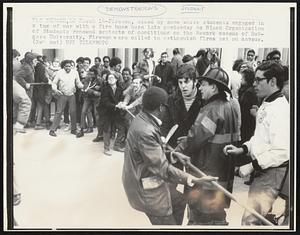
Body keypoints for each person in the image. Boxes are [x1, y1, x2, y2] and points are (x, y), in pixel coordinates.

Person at [122, 86, 218, 225]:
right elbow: (163, 169)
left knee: (179, 201)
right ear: (161, 108)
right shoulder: (146, 131)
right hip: (145, 186)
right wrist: (191, 178)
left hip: (143, 176)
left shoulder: (142, 119)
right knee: (166, 219)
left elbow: (149, 153)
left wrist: (173, 154)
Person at [224, 61, 289, 225]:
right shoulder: (268, 102)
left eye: (259, 80)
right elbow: (260, 139)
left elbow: (282, 151)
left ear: (272, 81)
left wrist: (252, 165)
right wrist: (243, 149)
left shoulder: (280, 109)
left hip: (272, 172)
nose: (254, 83)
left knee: (250, 221)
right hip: (264, 170)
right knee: (255, 220)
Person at [175, 67, 241, 225]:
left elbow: (196, 137)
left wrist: (177, 152)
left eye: (203, 84)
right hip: (223, 171)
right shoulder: (232, 105)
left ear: (214, 87)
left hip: (206, 170)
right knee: (217, 210)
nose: (199, 88)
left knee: (200, 212)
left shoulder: (212, 108)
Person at [161, 64, 203, 225]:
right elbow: (165, 124)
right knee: (173, 196)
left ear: (195, 81)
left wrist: (190, 139)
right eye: (180, 82)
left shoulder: (203, 99)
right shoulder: (172, 100)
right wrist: (163, 138)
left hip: (195, 154)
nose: (183, 86)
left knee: (194, 195)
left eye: (187, 82)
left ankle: (192, 224)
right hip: (174, 154)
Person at [49, 60, 84, 137]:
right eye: (66, 66)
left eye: (69, 66)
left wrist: (83, 87)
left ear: (71, 66)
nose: (68, 68)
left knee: (73, 112)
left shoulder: (75, 72)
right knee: (59, 112)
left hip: (72, 95)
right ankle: (52, 130)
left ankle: (73, 129)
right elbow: (54, 83)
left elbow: (78, 83)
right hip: (62, 94)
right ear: (63, 66)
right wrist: (56, 90)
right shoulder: (59, 72)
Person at [99, 71, 126, 155]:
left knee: (122, 127)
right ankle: (106, 148)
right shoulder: (105, 89)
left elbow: (121, 98)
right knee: (107, 129)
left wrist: (121, 103)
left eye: (112, 78)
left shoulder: (120, 88)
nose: (110, 79)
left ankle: (117, 145)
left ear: (116, 79)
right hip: (106, 111)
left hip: (116, 111)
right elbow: (105, 102)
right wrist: (116, 106)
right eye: (108, 78)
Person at [14, 52, 39, 128]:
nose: (36, 62)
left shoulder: (30, 66)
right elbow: (18, 76)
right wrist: (25, 84)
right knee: (24, 105)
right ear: (31, 60)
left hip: (28, 89)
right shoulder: (27, 67)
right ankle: (20, 125)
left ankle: (23, 123)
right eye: (35, 60)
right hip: (25, 89)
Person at [76, 69, 102, 138]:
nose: (91, 76)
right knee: (84, 111)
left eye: (92, 74)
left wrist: (99, 90)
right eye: (90, 74)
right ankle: (82, 129)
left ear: (96, 74)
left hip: (96, 98)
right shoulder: (87, 78)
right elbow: (85, 87)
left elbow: (103, 88)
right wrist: (94, 91)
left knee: (96, 114)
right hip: (88, 97)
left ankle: (99, 133)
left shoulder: (99, 79)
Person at [33, 55, 51, 130]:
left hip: (37, 89)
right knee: (41, 105)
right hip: (41, 89)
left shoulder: (36, 66)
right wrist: (48, 80)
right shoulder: (41, 66)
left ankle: (46, 121)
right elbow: (42, 77)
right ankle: (38, 124)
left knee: (42, 105)